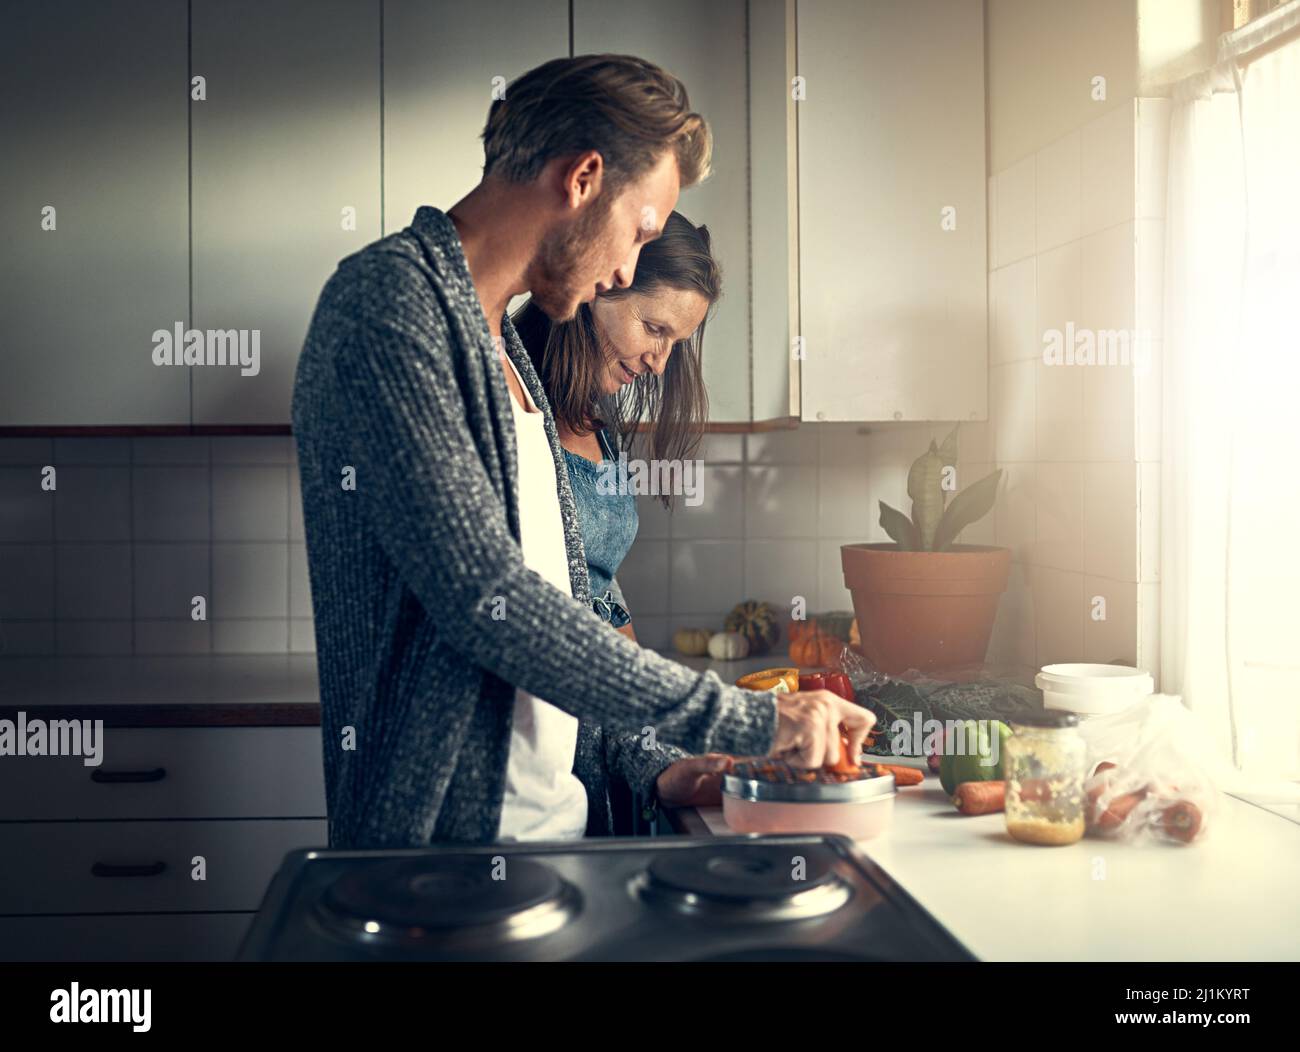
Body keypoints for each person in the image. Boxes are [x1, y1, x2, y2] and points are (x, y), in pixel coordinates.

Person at [292, 53, 871, 849]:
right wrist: (747, 716)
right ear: (583, 179)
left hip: (550, 831)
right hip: (438, 854)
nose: (628, 270)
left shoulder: (505, 349)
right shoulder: (390, 305)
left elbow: (572, 616)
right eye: (641, 231)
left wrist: (653, 761)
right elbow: (482, 597)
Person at [512, 210, 732, 813]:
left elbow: (602, 598)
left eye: (676, 342)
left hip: (604, 740)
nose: (661, 361)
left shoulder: (594, 424)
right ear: (600, 287)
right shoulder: (515, 414)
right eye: (654, 327)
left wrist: (654, 743)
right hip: (546, 756)